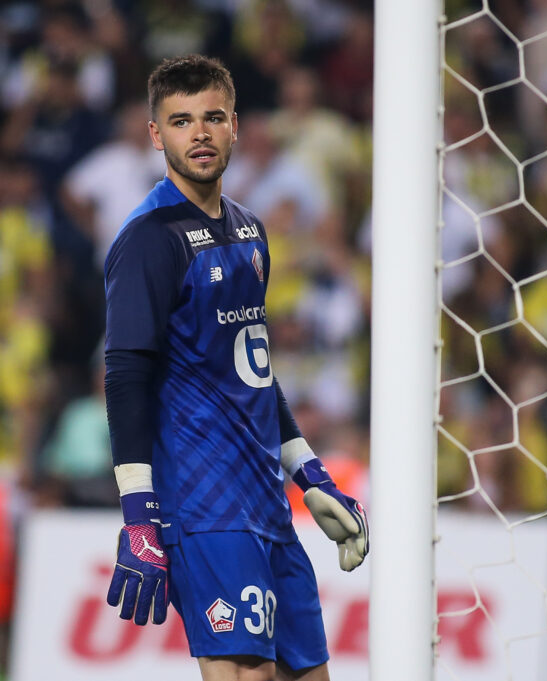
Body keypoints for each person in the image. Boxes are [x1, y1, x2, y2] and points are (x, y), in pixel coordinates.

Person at [102, 55, 368, 681]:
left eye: (213, 117)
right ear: (155, 134)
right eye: (181, 120)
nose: (199, 133)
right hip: (203, 502)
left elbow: (253, 371)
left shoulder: (250, 230)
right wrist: (139, 513)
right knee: (247, 675)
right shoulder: (148, 239)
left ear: (236, 126)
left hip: (266, 502)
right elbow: (125, 377)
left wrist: (310, 475)